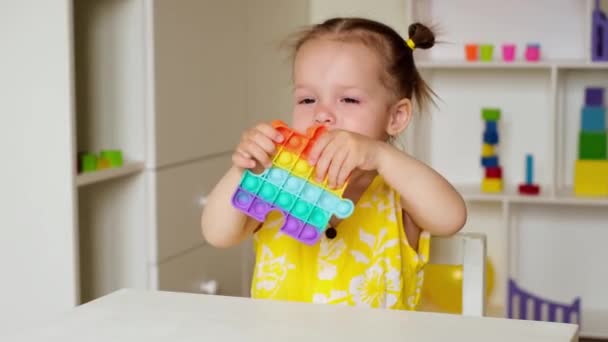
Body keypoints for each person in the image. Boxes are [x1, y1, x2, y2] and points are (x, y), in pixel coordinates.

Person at [201, 17, 466, 310]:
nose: (322, 114)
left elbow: (451, 218)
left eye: (349, 100)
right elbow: (217, 234)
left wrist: (380, 155)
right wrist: (244, 170)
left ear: (396, 117)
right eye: (307, 99)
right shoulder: (277, 181)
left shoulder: (399, 193)